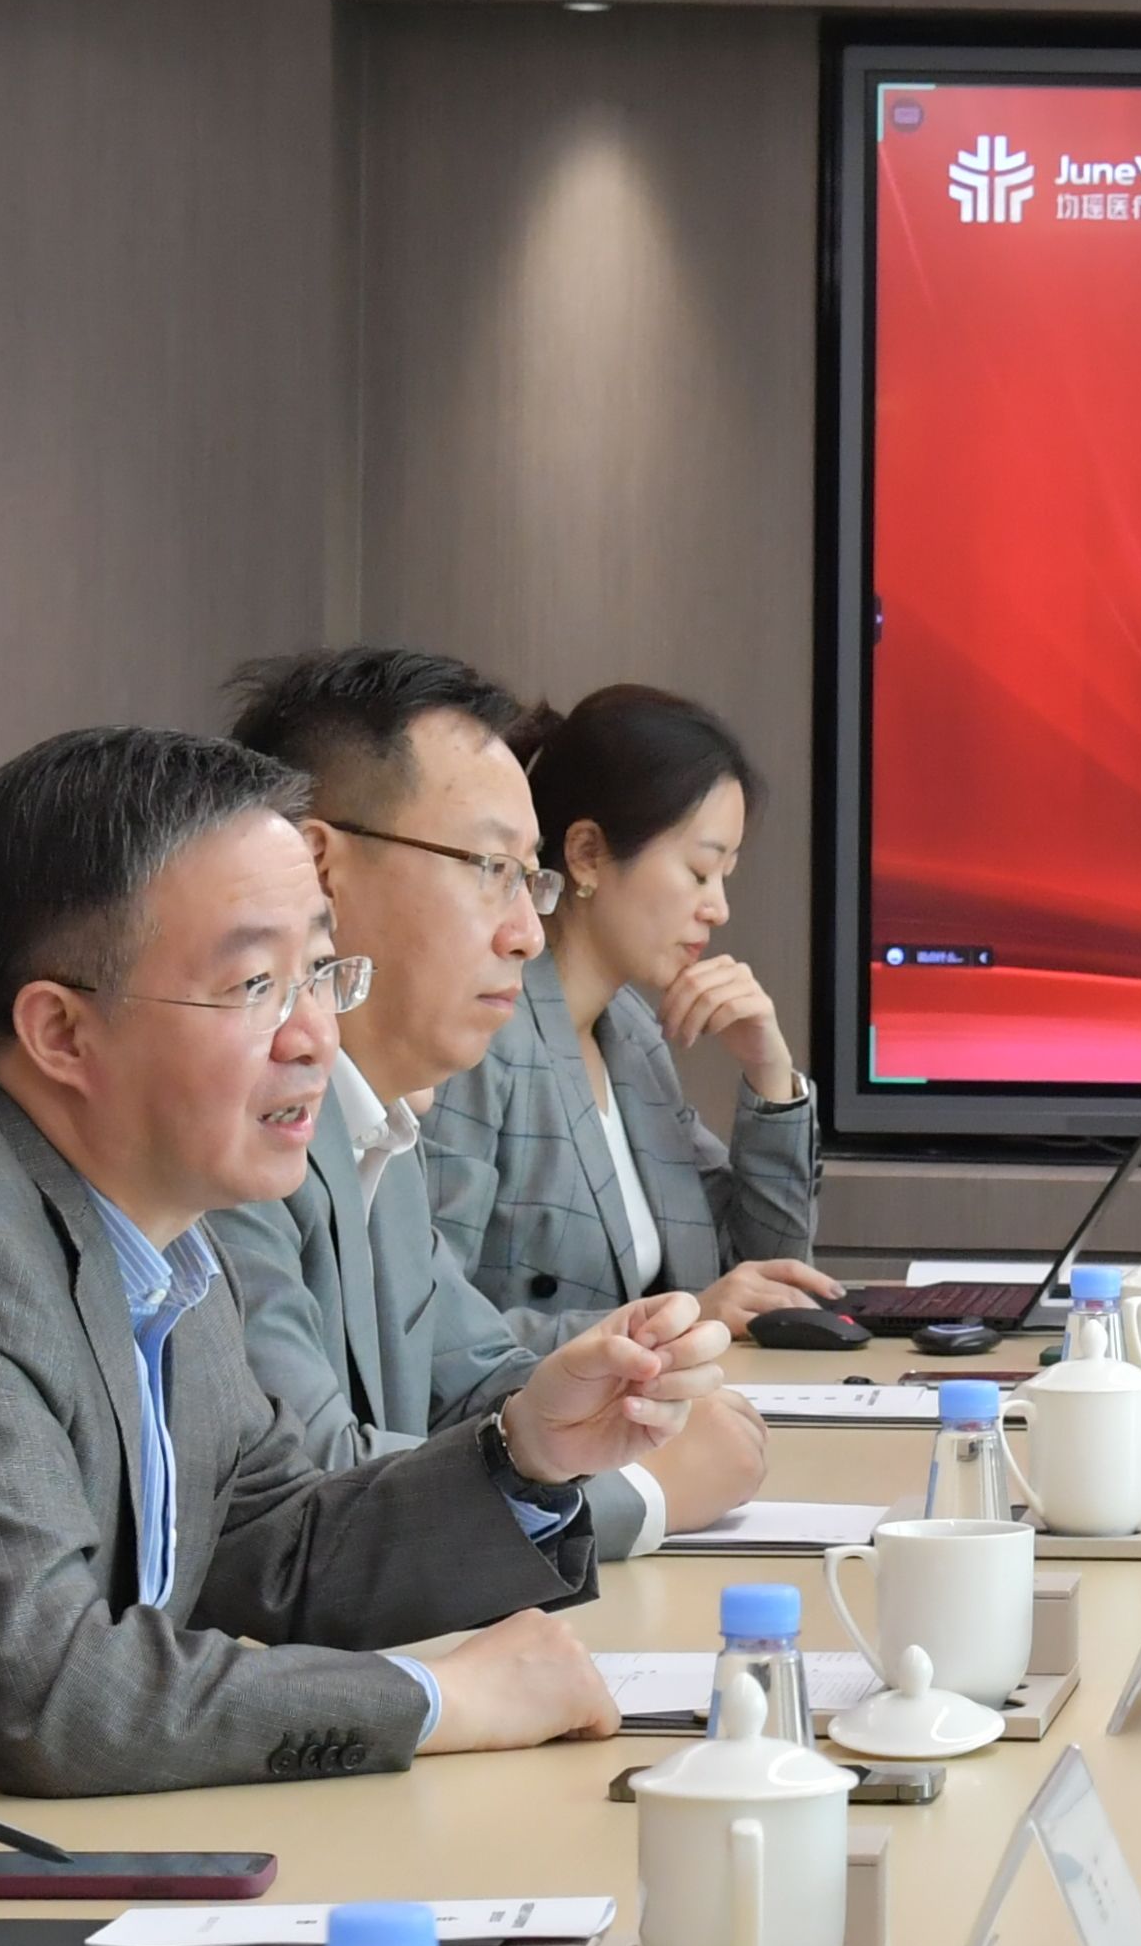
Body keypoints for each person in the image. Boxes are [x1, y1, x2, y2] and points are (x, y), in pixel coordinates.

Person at [0, 727, 707, 1794]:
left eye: (320, 973)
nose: (315, 1036)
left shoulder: (160, 1229)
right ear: (62, 1032)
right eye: (254, 986)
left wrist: (525, 1453)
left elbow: (271, 1541)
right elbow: (57, 1693)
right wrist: (440, 1700)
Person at [211, 647, 772, 1549]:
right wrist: (642, 1494)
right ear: (319, 870)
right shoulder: (231, 1134)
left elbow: (478, 1381)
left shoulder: (382, 1121)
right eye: (489, 868)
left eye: (527, 879)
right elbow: (306, 1499)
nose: (525, 934)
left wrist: (617, 1384)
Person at [430, 682, 842, 1348]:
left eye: (726, 876)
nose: (718, 908)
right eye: (700, 872)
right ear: (587, 854)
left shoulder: (632, 1035)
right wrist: (677, 1322)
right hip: (536, 1414)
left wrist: (770, 1074)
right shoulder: (483, 1035)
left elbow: (768, 1281)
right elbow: (429, 1331)